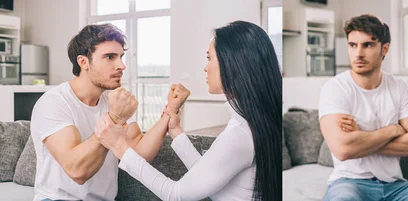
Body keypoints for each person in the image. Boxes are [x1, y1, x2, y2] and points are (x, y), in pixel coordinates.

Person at [95, 20, 282, 201]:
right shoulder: (248, 121)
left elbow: (175, 194)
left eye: (209, 58)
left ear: (233, 62)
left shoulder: (240, 133)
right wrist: (175, 130)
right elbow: (205, 174)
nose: (205, 67)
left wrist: (119, 147)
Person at [30, 24, 186, 201]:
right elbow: (77, 170)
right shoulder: (54, 102)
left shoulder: (113, 102)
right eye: (110, 57)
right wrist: (115, 119)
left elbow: (139, 153)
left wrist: (170, 111)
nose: (121, 65)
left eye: (121, 57)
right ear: (83, 62)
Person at [319, 14, 408, 201]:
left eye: (368, 45)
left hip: (395, 185)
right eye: (352, 45)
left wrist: (361, 137)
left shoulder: (400, 87)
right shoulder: (335, 88)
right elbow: (343, 149)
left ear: (384, 49)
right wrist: (393, 129)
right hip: (350, 183)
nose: (358, 54)